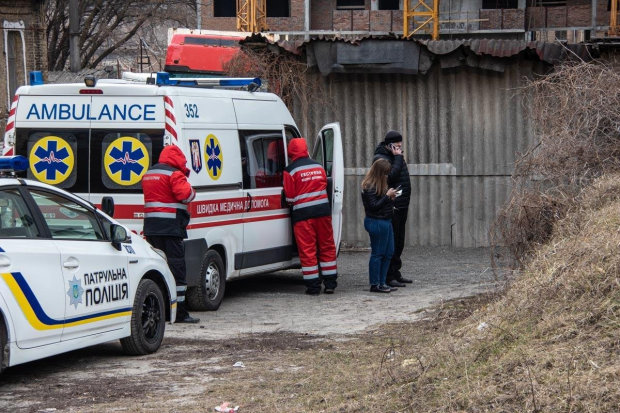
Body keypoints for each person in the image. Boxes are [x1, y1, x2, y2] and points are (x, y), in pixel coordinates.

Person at [142, 144, 199, 323]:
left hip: (151, 229)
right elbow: (186, 195)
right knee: (177, 269)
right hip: (171, 230)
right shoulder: (174, 174)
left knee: (157, 267)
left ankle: (160, 310)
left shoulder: (149, 174)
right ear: (177, 158)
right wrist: (192, 189)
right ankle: (180, 313)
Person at [283, 137, 338, 295]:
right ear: (306, 149)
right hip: (323, 213)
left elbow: (290, 198)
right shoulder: (318, 166)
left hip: (303, 216)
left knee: (308, 250)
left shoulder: (290, 170)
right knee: (327, 246)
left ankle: (313, 287)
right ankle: (330, 284)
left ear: (291, 151)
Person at [373, 130, 413, 288]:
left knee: (400, 241)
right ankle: (388, 276)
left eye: (400, 147)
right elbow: (391, 177)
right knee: (392, 241)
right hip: (392, 206)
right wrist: (398, 158)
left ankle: (396, 272)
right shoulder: (381, 158)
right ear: (389, 145)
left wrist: (397, 157)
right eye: (397, 146)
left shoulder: (396, 156)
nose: (399, 149)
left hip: (402, 204)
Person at [361, 159, 398, 293]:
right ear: (379, 173)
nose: (387, 176)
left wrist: (391, 198)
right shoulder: (369, 186)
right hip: (376, 222)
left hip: (385, 221)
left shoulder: (380, 184)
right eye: (385, 173)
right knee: (378, 253)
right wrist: (387, 197)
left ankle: (382, 282)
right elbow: (373, 206)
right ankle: (375, 284)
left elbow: (380, 203)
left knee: (389, 252)